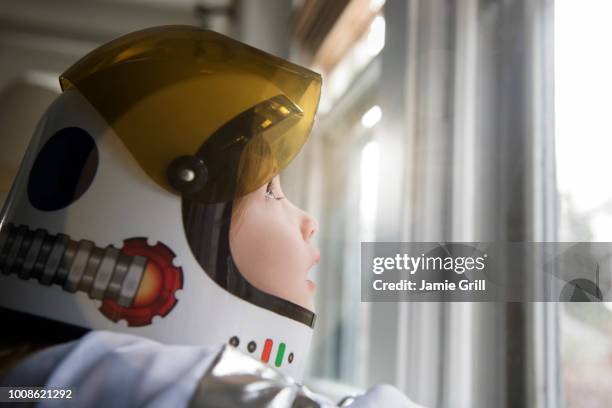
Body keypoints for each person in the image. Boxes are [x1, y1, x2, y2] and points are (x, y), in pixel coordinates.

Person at [0, 26, 423, 407]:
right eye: (272, 192)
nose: (308, 220)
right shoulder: (141, 379)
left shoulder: (41, 373)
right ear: (159, 230)